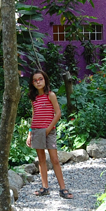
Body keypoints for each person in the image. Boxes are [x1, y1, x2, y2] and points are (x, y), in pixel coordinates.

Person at [25, 70, 72, 199]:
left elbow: (58, 114)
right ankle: (45, 188)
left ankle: (63, 189)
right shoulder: (34, 98)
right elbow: (34, 115)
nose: (38, 82)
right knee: (41, 160)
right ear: (32, 83)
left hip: (49, 131)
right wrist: (30, 133)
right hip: (36, 131)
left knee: (55, 159)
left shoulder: (50, 95)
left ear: (45, 80)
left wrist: (48, 129)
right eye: (35, 80)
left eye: (40, 79)